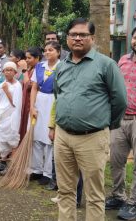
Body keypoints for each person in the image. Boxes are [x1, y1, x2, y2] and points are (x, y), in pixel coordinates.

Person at [50, 18, 127, 221]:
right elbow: (59, 95)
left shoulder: (106, 65)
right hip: (63, 136)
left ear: (92, 38)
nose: (77, 38)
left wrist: (107, 125)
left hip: (92, 138)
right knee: (65, 191)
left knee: (94, 195)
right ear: (67, 38)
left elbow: (119, 100)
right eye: (73, 34)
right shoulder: (62, 66)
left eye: (83, 35)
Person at [105, 25, 136, 220]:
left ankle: (135, 202)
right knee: (117, 161)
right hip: (119, 119)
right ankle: (119, 196)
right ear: (132, 39)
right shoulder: (122, 60)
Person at [29, 41, 60, 186]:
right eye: (46, 50)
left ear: (58, 52)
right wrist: (32, 106)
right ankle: (36, 169)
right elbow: (34, 87)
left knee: (49, 139)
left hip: (53, 102)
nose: (48, 52)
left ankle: (48, 173)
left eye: (51, 50)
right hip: (39, 101)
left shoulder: (62, 67)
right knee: (36, 137)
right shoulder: (39, 66)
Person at [0, 62, 22, 175]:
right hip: (1, 116)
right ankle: (3, 162)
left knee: (12, 140)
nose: (8, 72)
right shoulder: (2, 85)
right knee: (1, 140)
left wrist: (7, 91)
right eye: (6, 70)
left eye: (11, 70)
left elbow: (16, 104)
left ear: (15, 72)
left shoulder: (17, 85)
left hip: (12, 116)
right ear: (3, 72)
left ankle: (12, 166)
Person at [18, 47, 41, 142]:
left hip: (31, 102)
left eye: (29, 58)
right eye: (26, 58)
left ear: (37, 58)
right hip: (25, 100)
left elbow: (29, 85)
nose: (26, 60)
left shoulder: (39, 69)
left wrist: (24, 71)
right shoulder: (30, 68)